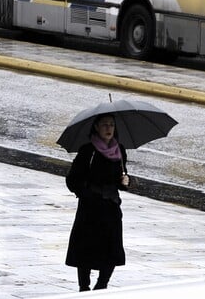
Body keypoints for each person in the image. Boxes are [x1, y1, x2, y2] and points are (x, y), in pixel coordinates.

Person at [65, 113, 130, 291]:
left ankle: (102, 285)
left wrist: (126, 182)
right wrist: (86, 193)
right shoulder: (88, 150)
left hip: (111, 207)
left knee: (112, 248)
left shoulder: (120, 150)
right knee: (86, 248)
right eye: (104, 125)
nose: (109, 128)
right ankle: (84, 287)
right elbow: (72, 180)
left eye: (111, 125)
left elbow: (120, 179)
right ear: (96, 127)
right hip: (90, 208)